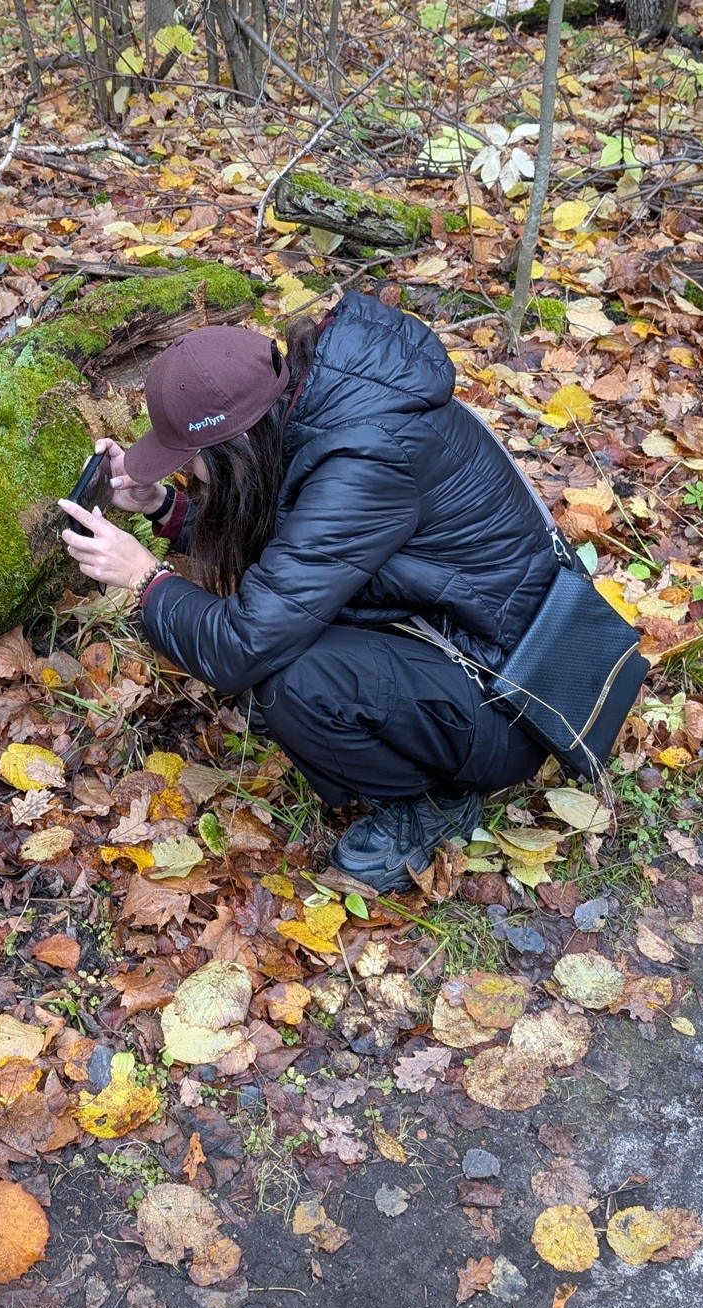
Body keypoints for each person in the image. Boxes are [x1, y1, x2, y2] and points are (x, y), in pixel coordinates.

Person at [59, 291, 563, 895]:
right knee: (282, 647)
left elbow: (243, 644)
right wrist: (166, 509)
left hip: (516, 702)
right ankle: (395, 737)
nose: (184, 472)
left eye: (190, 461)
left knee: (292, 676)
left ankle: (432, 805)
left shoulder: (365, 460)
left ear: (234, 446)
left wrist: (144, 578)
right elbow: (299, 548)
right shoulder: (321, 405)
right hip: (456, 639)